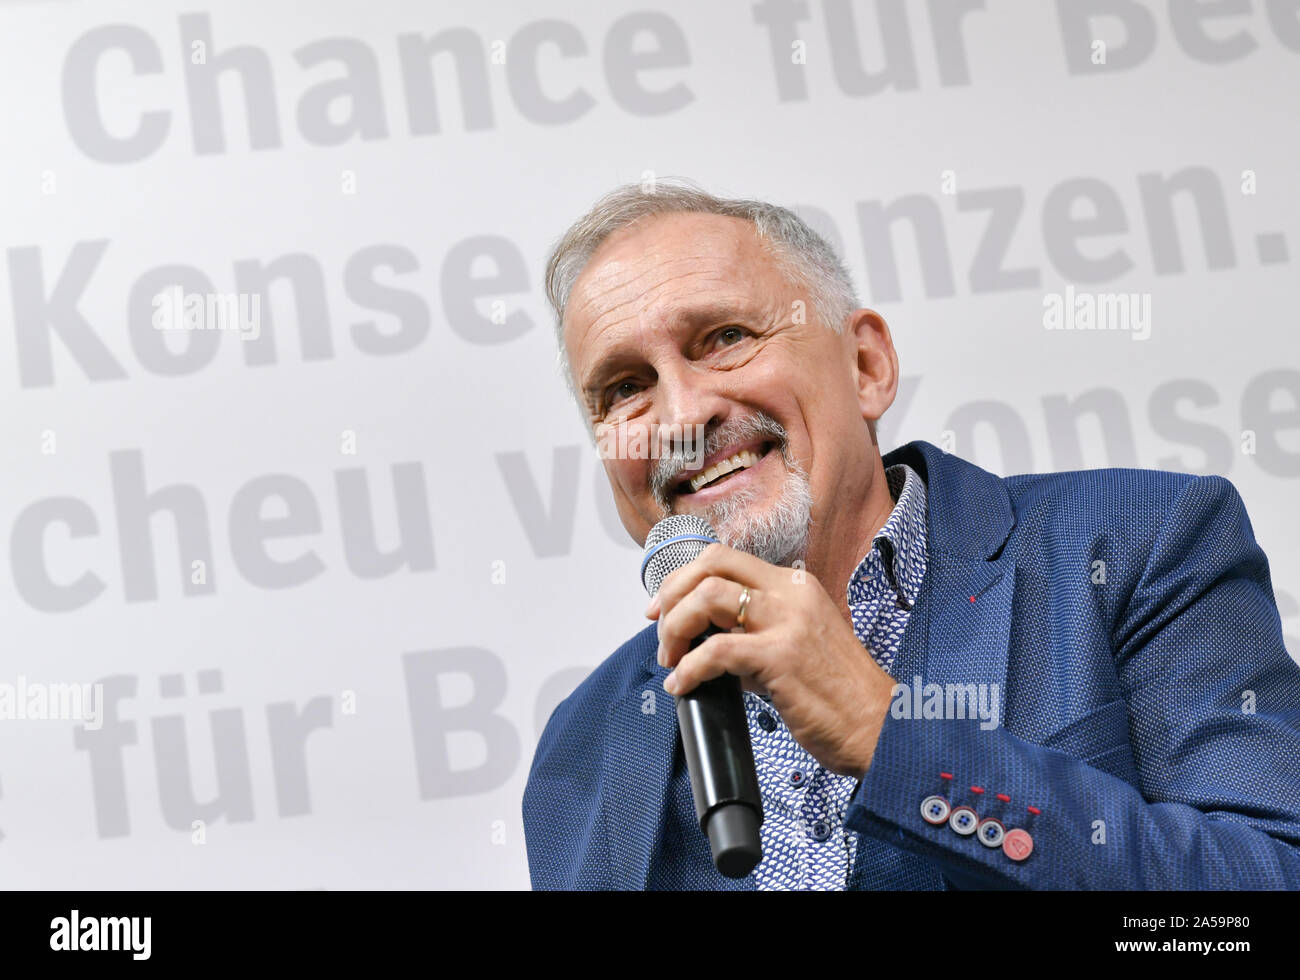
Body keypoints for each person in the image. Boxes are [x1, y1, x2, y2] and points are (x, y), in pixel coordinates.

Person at [521, 178, 1300, 889]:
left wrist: (889, 737)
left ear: (865, 366)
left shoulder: (1140, 544)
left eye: (724, 337)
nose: (684, 416)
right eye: (625, 388)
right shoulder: (582, 744)